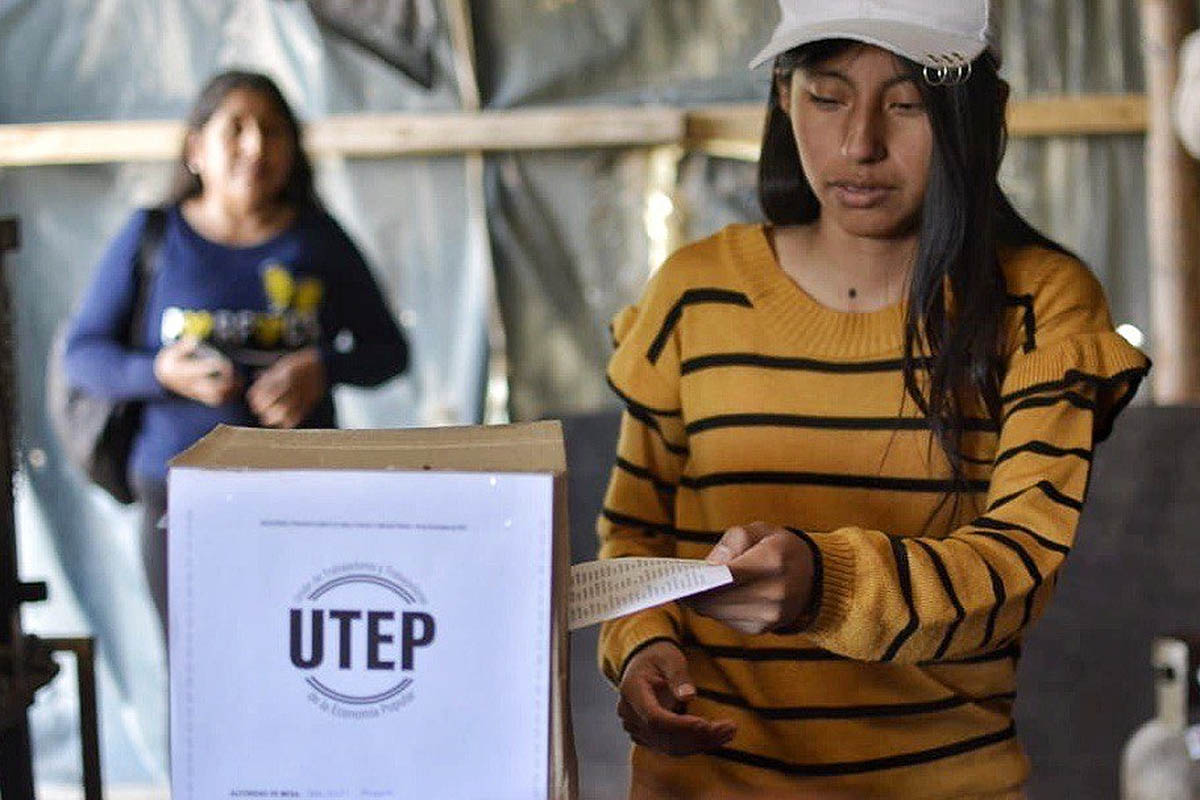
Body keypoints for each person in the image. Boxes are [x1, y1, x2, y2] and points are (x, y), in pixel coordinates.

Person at [597, 2, 1150, 798]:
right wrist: (644, 650)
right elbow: (634, 535)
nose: (860, 144)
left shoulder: (1040, 308)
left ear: (978, 112)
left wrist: (827, 585)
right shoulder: (693, 293)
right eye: (826, 97)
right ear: (783, 95)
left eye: (908, 105)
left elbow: (1022, 567)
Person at [65, 70, 408, 632]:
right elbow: (83, 355)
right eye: (237, 128)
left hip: (302, 495)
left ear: (293, 150)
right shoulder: (154, 236)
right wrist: (160, 373)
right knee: (194, 669)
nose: (256, 146)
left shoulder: (319, 240)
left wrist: (323, 367)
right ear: (196, 149)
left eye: (273, 131)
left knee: (295, 659)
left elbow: (390, 351)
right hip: (179, 496)